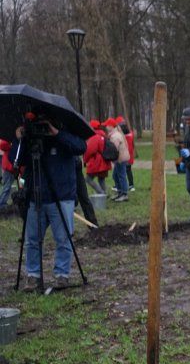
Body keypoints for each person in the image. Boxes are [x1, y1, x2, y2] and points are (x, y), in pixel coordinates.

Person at [10, 115, 87, 289]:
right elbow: (14, 161)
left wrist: (57, 133)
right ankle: (33, 276)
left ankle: (61, 275)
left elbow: (80, 147)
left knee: (63, 238)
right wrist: (18, 140)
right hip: (35, 196)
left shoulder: (65, 131)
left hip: (61, 195)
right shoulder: (29, 139)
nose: (41, 128)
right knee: (32, 240)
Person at [104, 119, 130, 202]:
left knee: (121, 176)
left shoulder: (115, 136)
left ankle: (124, 194)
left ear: (111, 126)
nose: (106, 127)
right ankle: (120, 192)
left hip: (120, 159)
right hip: (119, 158)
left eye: (107, 125)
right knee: (115, 176)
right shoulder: (114, 134)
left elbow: (113, 149)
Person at [83, 120, 111, 195]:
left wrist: (85, 160)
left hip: (96, 162)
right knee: (101, 179)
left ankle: (101, 193)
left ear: (92, 127)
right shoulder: (103, 135)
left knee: (88, 179)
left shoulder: (94, 136)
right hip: (105, 161)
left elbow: (89, 150)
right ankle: (104, 194)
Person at [118, 116, 136, 192]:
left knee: (124, 171)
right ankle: (131, 185)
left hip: (126, 156)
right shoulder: (131, 135)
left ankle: (125, 185)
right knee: (128, 170)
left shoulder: (124, 137)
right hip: (130, 156)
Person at [0, 139, 17, 207]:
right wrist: (11, 145)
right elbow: (2, 145)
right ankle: (1, 203)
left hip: (13, 168)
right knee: (7, 186)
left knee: (8, 186)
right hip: (8, 168)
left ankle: (3, 202)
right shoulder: (8, 139)